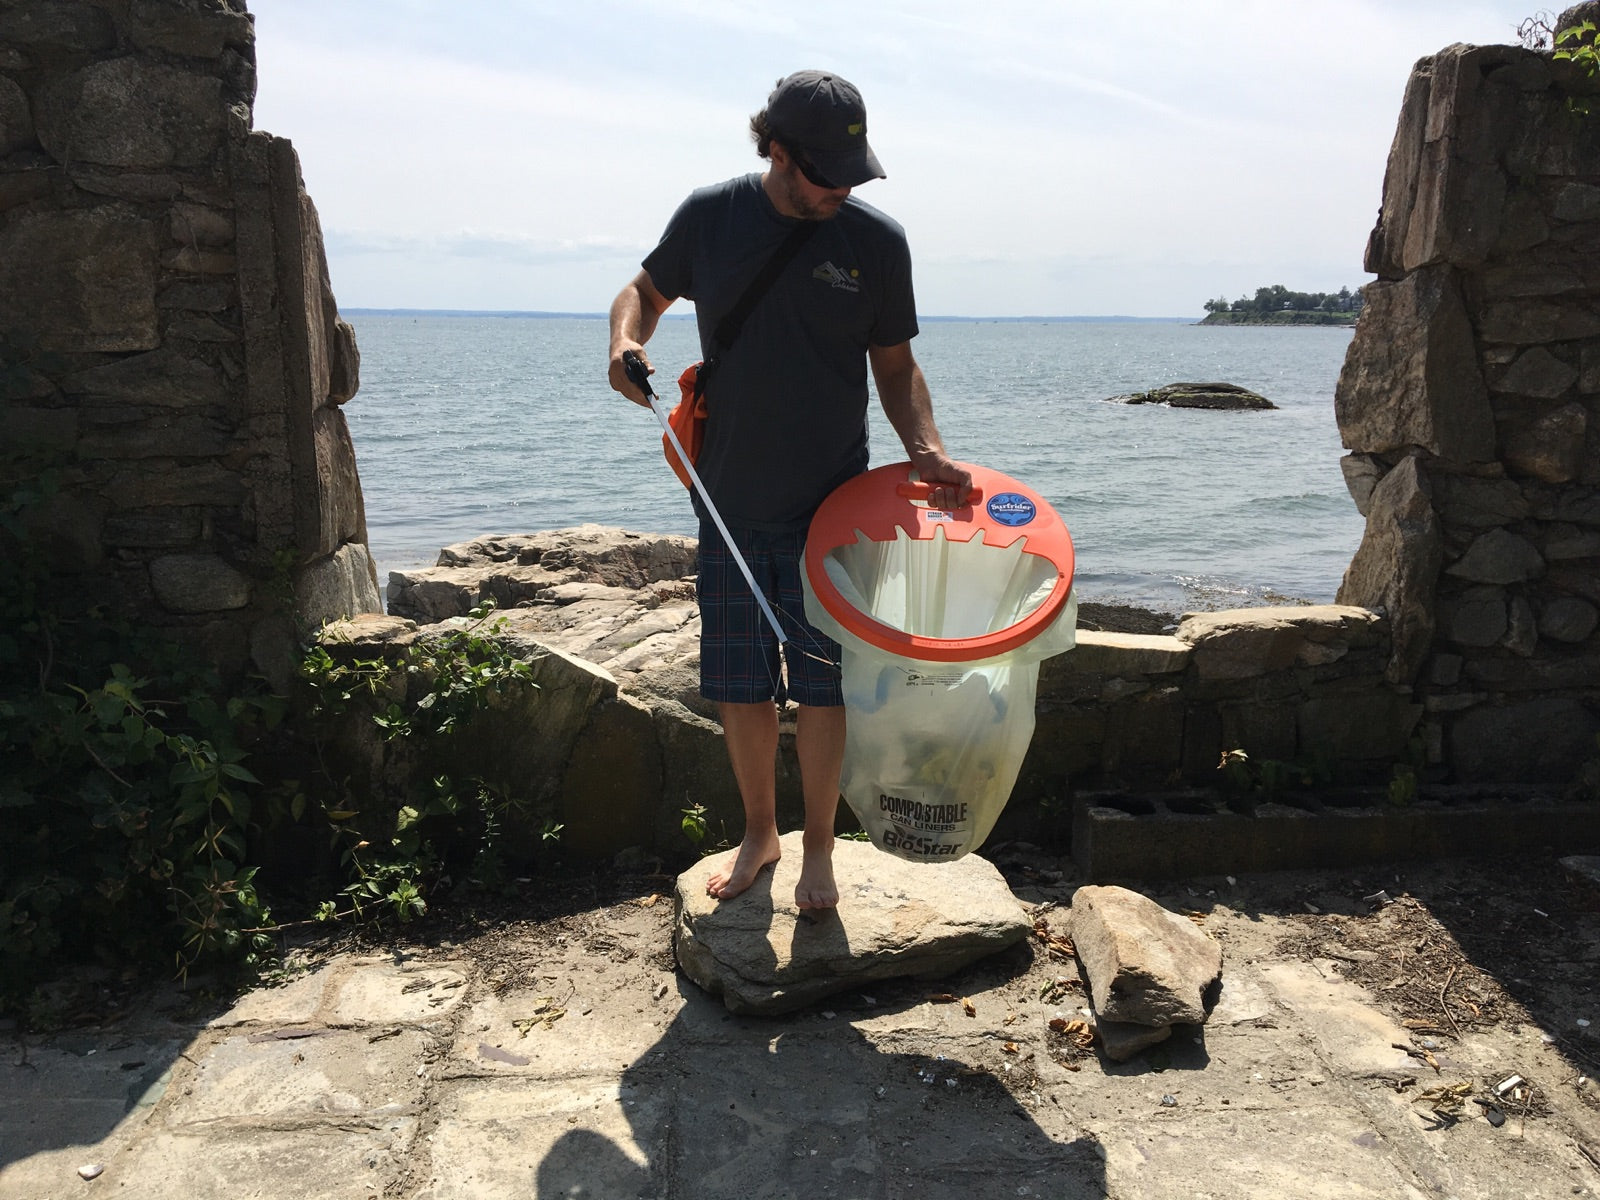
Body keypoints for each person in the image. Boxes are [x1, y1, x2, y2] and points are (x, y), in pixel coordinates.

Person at [607, 69, 970, 911]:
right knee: (739, 684)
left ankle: (818, 849)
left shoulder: (877, 244)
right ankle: (759, 832)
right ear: (775, 148)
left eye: (853, 175)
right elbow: (643, 293)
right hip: (727, 501)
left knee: (825, 686)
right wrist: (625, 343)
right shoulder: (712, 217)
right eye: (823, 176)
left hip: (833, 512)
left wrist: (925, 449)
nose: (840, 190)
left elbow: (897, 366)